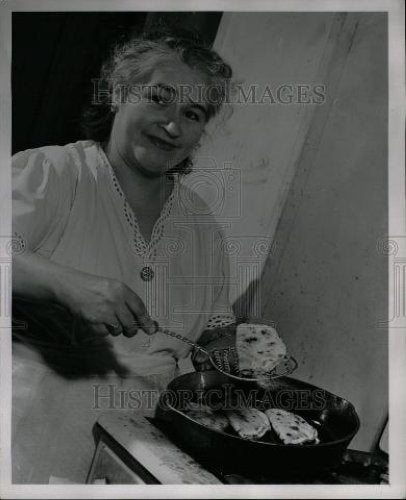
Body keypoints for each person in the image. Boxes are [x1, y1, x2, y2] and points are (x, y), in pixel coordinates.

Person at [11, 30, 237, 483]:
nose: (173, 125)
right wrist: (69, 283)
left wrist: (226, 352)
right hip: (32, 433)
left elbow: (215, 327)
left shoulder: (199, 221)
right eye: (159, 98)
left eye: (191, 114)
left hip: (149, 445)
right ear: (118, 93)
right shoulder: (55, 172)